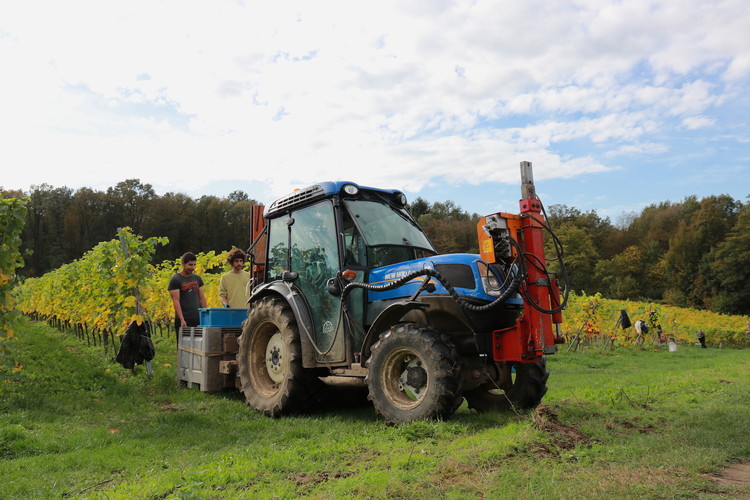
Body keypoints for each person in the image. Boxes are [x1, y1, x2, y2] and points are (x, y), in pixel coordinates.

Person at [168, 252, 207, 343]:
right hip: (184, 319)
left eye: (194, 265)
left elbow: (202, 298)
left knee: (198, 345)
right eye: (190, 265)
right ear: (183, 264)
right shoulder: (175, 280)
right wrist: (182, 320)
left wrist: (205, 316)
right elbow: (176, 301)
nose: (192, 268)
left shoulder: (197, 278)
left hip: (197, 317)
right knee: (184, 347)